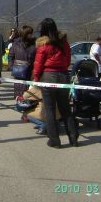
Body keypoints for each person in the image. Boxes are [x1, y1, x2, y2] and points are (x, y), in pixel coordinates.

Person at [33, 18, 78, 148]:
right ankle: (73, 138)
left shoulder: (43, 45)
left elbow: (38, 65)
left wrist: (36, 79)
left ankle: (54, 140)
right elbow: (68, 60)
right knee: (65, 109)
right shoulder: (64, 43)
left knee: (50, 110)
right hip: (64, 75)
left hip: (48, 77)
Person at [9, 25, 36, 100]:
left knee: (30, 94)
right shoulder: (15, 44)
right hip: (18, 72)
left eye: (31, 33)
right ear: (24, 34)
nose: (31, 35)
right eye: (29, 33)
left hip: (30, 72)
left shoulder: (35, 45)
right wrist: (12, 67)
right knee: (19, 92)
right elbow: (11, 56)